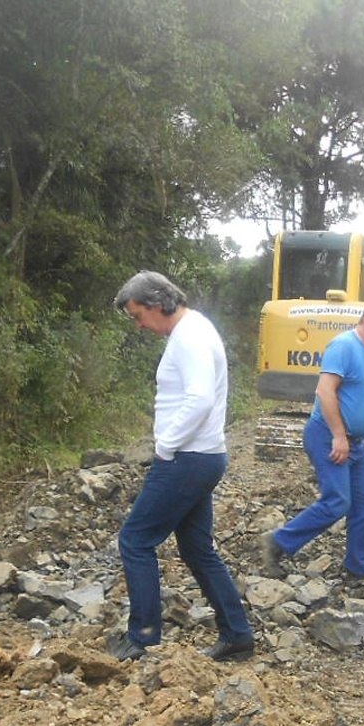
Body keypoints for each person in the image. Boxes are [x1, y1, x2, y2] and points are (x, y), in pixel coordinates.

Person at [106, 271, 255, 663]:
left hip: (188, 458)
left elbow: (200, 398)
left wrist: (165, 445)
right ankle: (237, 635)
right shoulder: (194, 330)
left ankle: (141, 637)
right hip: (202, 456)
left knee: (135, 540)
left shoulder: (189, 336)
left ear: (158, 304)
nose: (139, 325)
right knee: (197, 549)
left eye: (138, 315)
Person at [260, 297, 364, 584]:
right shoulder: (343, 346)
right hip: (326, 435)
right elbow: (325, 391)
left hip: (356, 443)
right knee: (338, 500)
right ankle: (277, 542)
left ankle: (357, 568)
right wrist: (338, 435)